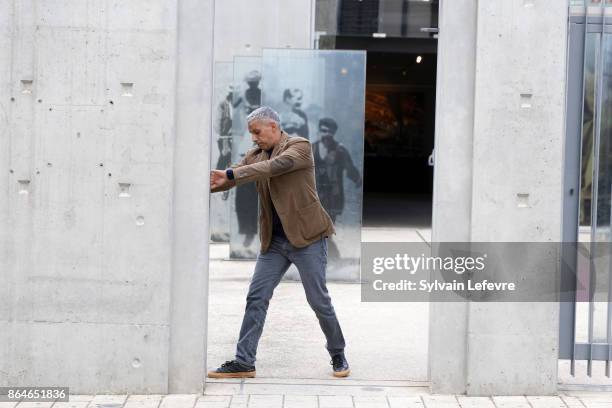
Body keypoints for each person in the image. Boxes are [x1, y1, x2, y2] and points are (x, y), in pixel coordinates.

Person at [208, 106, 350, 378]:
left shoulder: (299, 146)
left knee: (318, 301)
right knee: (256, 298)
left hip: (307, 238)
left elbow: (274, 167)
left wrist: (231, 174)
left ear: (273, 126)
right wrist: (214, 181)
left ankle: (338, 353)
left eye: (257, 132)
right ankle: (244, 361)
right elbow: (236, 172)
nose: (254, 139)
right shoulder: (255, 154)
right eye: (251, 134)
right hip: (274, 242)